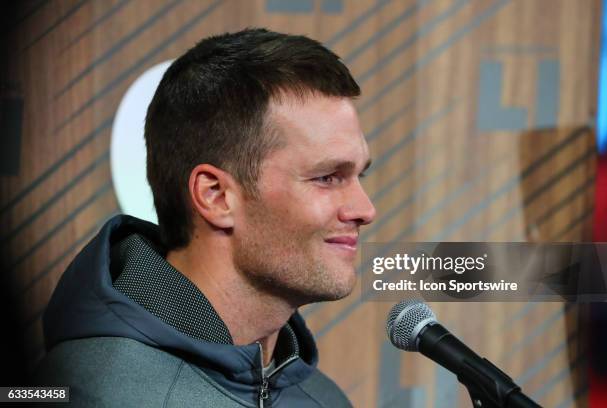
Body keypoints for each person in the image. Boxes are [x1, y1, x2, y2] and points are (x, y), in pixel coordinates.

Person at [35, 28, 376, 407]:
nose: (365, 210)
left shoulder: (325, 401)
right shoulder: (76, 392)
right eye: (327, 178)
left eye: (359, 175)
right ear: (215, 196)